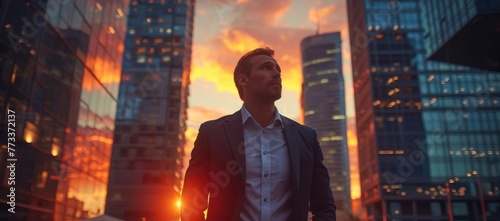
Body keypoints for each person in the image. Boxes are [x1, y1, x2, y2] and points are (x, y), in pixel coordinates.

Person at [180, 47, 336, 221]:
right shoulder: (212, 133)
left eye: (278, 70)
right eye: (266, 68)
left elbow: (325, 207)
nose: (276, 74)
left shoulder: (306, 137)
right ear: (243, 80)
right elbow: (191, 203)